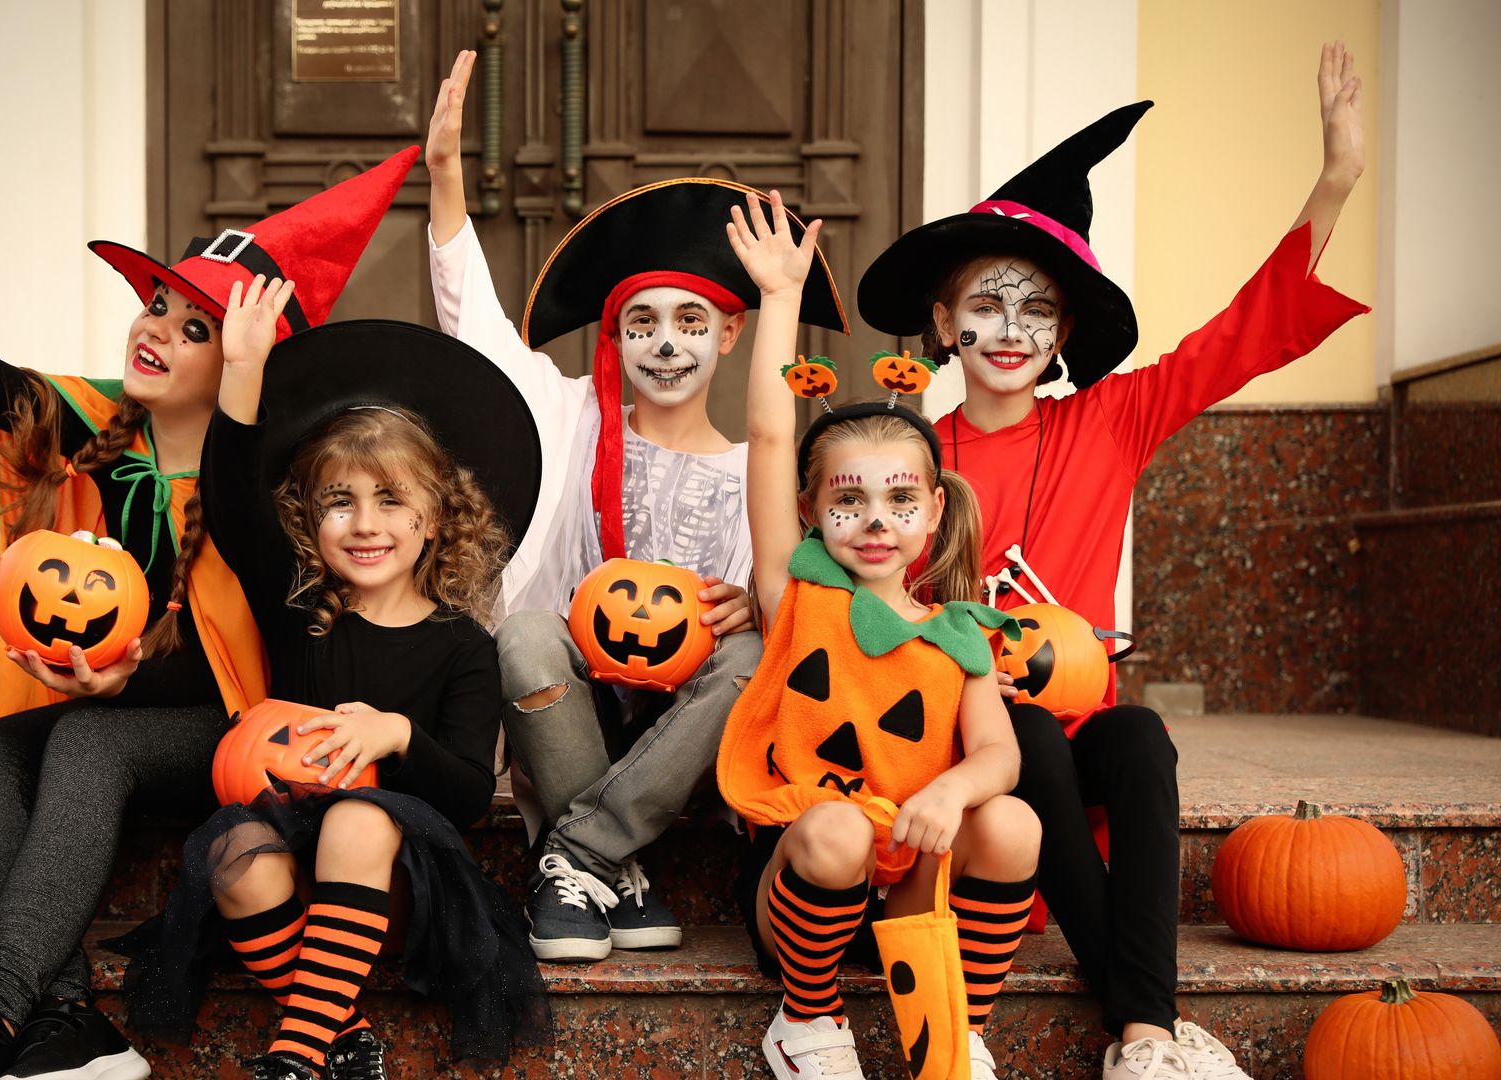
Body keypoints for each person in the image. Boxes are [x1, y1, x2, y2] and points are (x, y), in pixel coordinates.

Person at [0, 149, 418, 1080]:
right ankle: (66, 1020)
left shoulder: (274, 480)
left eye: (197, 327)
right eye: (157, 306)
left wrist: (122, 678)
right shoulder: (96, 428)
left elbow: (230, 660)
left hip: (230, 738)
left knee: (87, 745)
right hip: (114, 717)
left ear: (243, 357)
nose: (158, 331)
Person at [851, 43, 1369, 1080]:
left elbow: (1241, 336)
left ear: (1066, 333)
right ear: (943, 323)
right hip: (972, 769)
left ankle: (1143, 1039)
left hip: (1077, 764)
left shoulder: (1112, 420)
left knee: (1137, 734)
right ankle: (1148, 1025)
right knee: (1026, 730)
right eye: (985, 306)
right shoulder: (903, 459)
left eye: (1037, 309)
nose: (1010, 328)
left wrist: (1336, 181)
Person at [424, 51, 846, 962]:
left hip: (682, 736)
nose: (665, 344)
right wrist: (447, 179)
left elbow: (776, 595)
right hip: (572, 704)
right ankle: (615, 870)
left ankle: (578, 853)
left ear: (730, 335)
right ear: (613, 333)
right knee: (527, 634)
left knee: (745, 651)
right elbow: (474, 323)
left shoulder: (749, 473)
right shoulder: (567, 412)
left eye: (690, 324)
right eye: (642, 322)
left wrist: (753, 601)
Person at [111, 292, 550, 1080]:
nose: (364, 523)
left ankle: (293, 1056)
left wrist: (398, 736)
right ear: (309, 522)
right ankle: (340, 1035)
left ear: (436, 518)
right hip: (289, 870)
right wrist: (242, 367)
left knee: (355, 816)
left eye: (391, 500)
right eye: (338, 503)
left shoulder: (463, 647)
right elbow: (233, 489)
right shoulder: (298, 608)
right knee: (238, 858)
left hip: (403, 886)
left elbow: (461, 793)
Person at [715, 188, 1042, 1080]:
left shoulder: (959, 632)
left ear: (934, 510)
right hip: (810, 877)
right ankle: (806, 1022)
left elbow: (999, 757)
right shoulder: (798, 594)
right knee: (837, 833)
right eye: (847, 499)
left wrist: (952, 795)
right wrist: (780, 300)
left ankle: (957, 1026)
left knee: (1010, 825)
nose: (874, 519)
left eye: (900, 499)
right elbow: (766, 433)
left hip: (910, 882)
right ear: (812, 512)